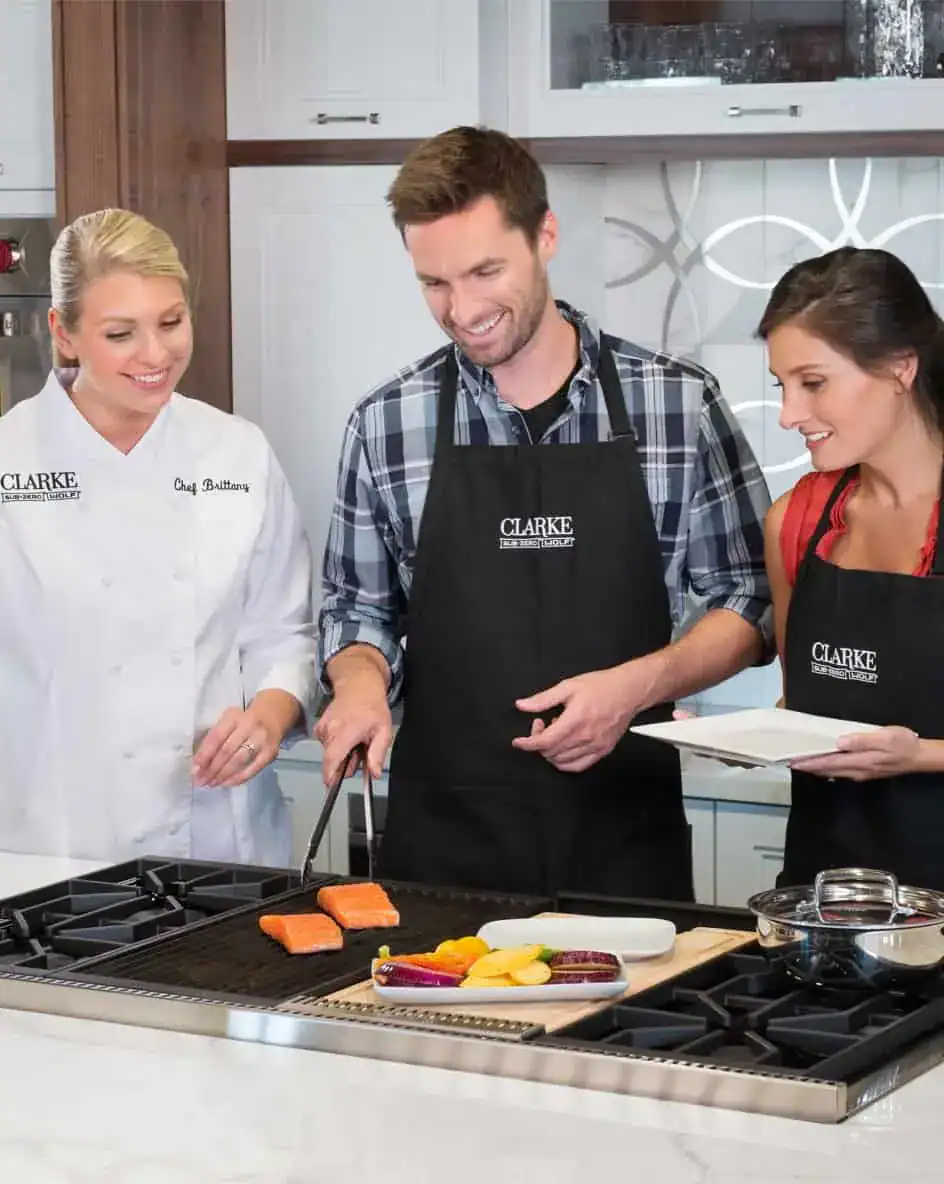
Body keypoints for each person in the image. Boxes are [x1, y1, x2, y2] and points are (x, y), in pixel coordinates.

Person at [315, 126, 772, 900]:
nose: (462, 310)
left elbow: (751, 602)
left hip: (626, 844)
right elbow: (356, 610)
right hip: (441, 853)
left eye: (485, 271)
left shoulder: (678, 405)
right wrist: (358, 687)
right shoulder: (386, 422)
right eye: (434, 283)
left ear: (546, 235)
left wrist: (639, 685)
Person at [0, 208, 315, 864]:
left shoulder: (237, 453)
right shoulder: (10, 461)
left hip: (222, 841)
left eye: (172, 322)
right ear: (64, 333)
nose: (156, 355)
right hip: (49, 842)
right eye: (121, 333)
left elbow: (282, 634)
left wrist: (269, 715)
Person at [760, 246, 944, 889]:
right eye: (781, 386)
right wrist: (748, 736)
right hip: (821, 909)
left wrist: (919, 756)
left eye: (813, 383)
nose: (789, 414)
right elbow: (796, 703)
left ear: (899, 367)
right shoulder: (798, 521)